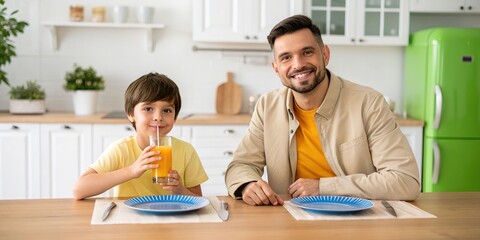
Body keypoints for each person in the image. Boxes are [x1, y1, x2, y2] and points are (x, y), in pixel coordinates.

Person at [225, 15, 420, 206]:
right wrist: (247, 185)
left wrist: (324, 187)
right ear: (276, 68)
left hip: (358, 221)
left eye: (307, 52)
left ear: (325, 54)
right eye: (286, 57)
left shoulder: (369, 103)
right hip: (291, 221)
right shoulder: (267, 106)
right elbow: (240, 166)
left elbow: (405, 180)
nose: (298, 64)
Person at [73, 73, 208, 199]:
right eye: (148, 109)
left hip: (172, 219)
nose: (158, 117)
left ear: (175, 116)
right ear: (131, 114)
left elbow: (198, 199)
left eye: (167, 110)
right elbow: (79, 190)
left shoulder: (186, 151)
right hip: (130, 220)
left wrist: (180, 190)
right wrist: (132, 171)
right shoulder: (121, 150)